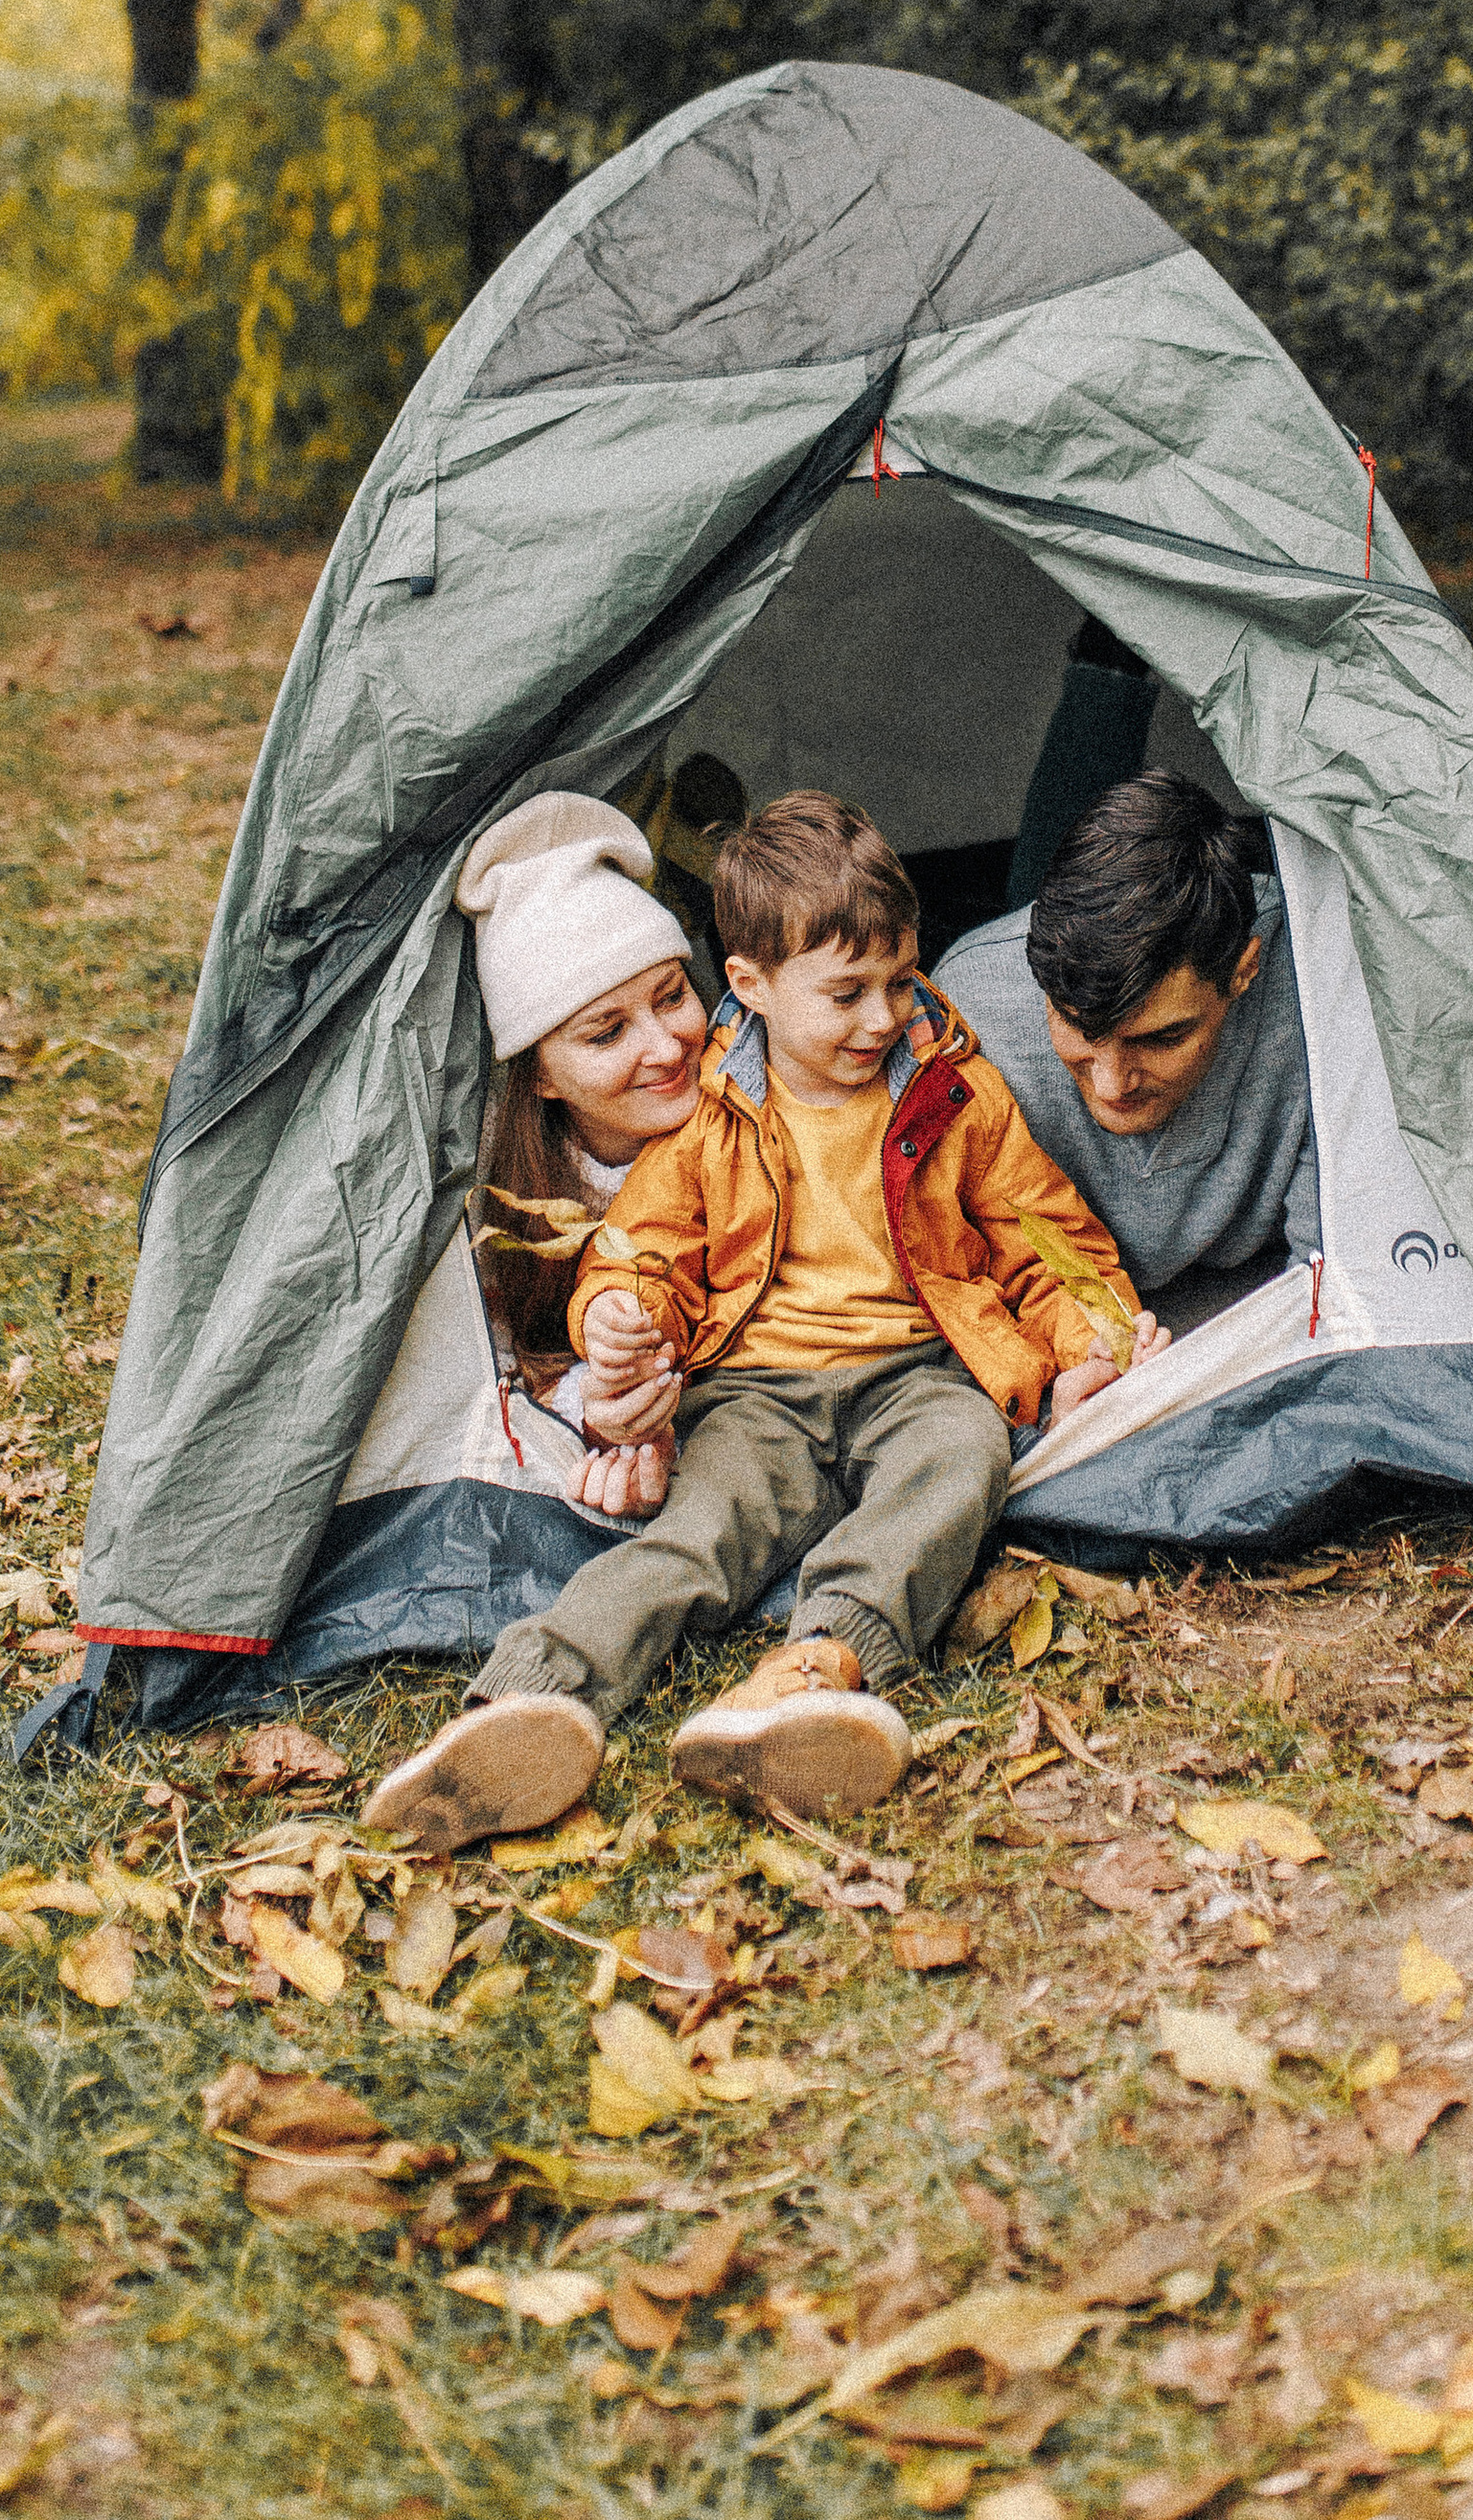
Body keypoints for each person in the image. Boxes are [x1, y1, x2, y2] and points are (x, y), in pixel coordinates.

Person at [363, 790, 1166, 1851]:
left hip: (919, 1369)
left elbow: (1039, 1230)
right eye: (844, 994)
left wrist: (1092, 1333)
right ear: (750, 984)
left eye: (895, 980)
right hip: (757, 1391)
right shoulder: (709, 1111)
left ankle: (814, 1667)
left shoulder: (947, 1090)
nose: (879, 1019)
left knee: (960, 1465)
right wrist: (619, 1313)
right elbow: (649, 1244)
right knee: (697, 1535)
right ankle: (528, 1700)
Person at [935, 768, 1318, 1331]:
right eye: (1080, 1030)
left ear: (1244, 971)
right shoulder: (968, 1017)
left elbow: (1338, 1285)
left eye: (1163, 1038)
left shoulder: (1319, 983)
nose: (1113, 1085)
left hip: (1260, 1310)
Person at [454, 792, 710, 1519]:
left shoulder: (750, 1121)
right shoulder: (501, 1194)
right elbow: (489, 1368)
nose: (665, 1048)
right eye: (606, 1034)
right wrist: (597, 1413)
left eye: (671, 996)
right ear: (539, 1074)